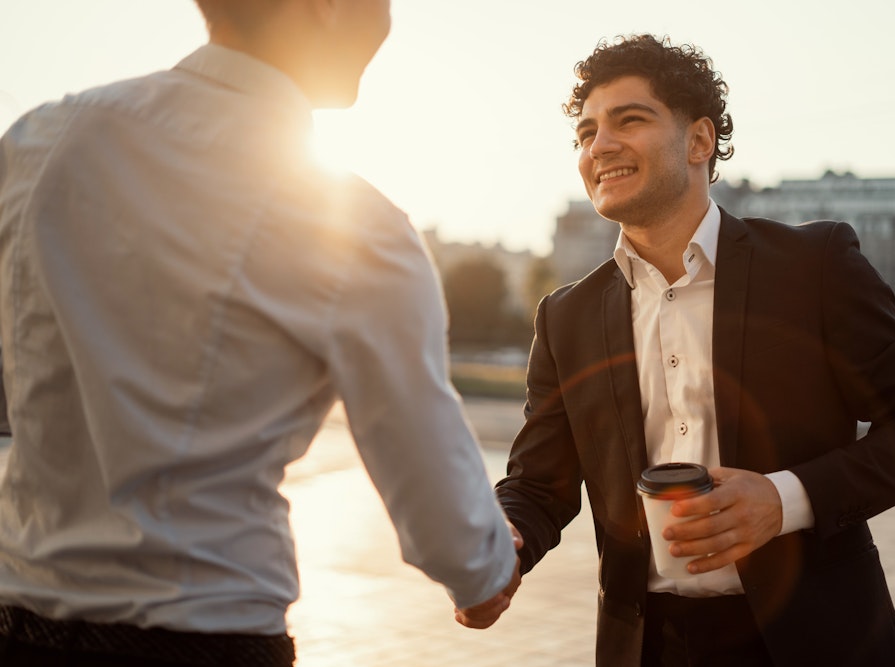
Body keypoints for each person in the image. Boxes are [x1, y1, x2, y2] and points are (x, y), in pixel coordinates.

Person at [0, 1, 518, 665]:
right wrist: (485, 570)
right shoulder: (353, 223)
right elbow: (438, 493)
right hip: (204, 634)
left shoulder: (36, 140)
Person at [484, 34, 895, 666]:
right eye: (585, 132)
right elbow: (538, 486)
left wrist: (784, 500)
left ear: (699, 141)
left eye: (629, 120)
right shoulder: (565, 316)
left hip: (815, 640)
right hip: (646, 646)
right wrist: (503, 544)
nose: (598, 146)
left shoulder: (813, 265)